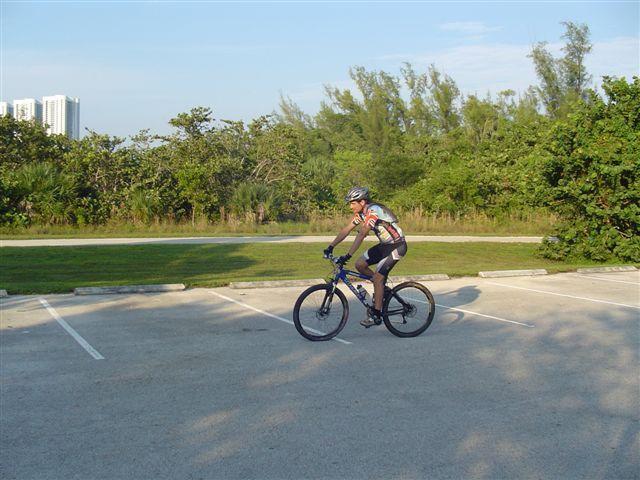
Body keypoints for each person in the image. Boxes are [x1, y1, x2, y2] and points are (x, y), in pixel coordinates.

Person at [323, 186, 407, 327]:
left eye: (353, 203)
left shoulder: (373, 211)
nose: (350, 206)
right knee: (360, 265)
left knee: (378, 278)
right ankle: (381, 287)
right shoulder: (361, 214)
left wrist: (348, 255)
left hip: (397, 246)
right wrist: (331, 246)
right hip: (384, 245)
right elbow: (346, 230)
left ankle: (376, 312)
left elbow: (362, 233)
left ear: (362, 202)